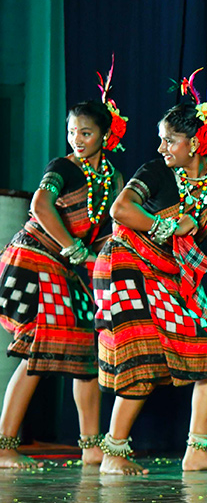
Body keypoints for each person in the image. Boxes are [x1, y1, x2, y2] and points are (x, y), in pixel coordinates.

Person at [93, 70, 207, 475]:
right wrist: (168, 226)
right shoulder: (156, 171)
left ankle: (197, 449)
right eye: (161, 138)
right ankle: (113, 452)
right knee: (139, 356)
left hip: (172, 277)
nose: (161, 147)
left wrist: (202, 262)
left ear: (196, 143)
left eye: (169, 139)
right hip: (127, 267)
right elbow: (120, 211)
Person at [0, 64, 128, 468]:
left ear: (105, 136)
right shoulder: (62, 167)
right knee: (38, 352)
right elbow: (40, 205)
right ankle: (4, 446)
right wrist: (73, 247)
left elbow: (109, 227)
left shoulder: (111, 175)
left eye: (86, 133)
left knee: (85, 356)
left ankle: (91, 446)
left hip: (66, 268)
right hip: (37, 261)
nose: (77, 139)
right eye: (72, 131)